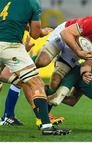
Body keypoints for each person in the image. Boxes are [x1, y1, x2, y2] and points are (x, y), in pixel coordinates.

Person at [0, 0, 70, 135]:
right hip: (10, 45)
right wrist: (43, 32)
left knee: (17, 81)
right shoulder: (32, 3)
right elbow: (35, 34)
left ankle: (9, 116)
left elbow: (9, 20)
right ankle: (46, 125)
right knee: (36, 83)